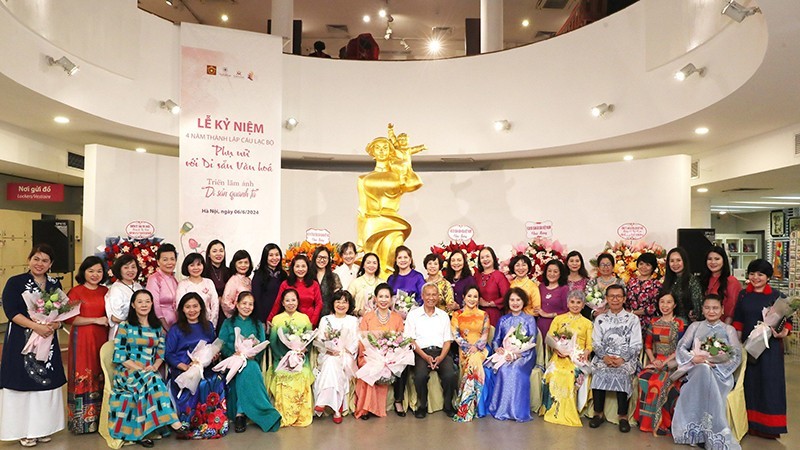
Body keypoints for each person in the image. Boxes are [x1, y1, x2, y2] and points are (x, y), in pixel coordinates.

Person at [0, 244, 67, 446]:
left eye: (45, 260)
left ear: (51, 264)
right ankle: (23, 430)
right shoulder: (15, 282)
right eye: (36, 259)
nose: (40, 264)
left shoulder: (55, 285)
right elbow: (11, 312)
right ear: (29, 259)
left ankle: (43, 428)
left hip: (48, 339)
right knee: (22, 383)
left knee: (46, 384)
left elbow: (62, 313)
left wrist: (56, 323)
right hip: (22, 339)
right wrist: (34, 326)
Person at [107, 289, 187, 447]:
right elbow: (120, 356)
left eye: (147, 301)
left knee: (153, 379)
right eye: (140, 302)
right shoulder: (125, 326)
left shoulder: (157, 328)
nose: (144, 305)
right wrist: (139, 368)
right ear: (133, 305)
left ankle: (144, 432)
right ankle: (175, 423)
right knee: (154, 381)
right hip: (127, 372)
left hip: (149, 371)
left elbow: (161, 352)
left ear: (152, 304)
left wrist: (154, 366)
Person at [672, 294, 742, 449]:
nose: (711, 311)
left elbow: (736, 355)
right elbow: (681, 346)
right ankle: (696, 432)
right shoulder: (695, 326)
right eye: (707, 308)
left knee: (705, 370)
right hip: (697, 370)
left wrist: (714, 363)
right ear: (702, 310)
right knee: (702, 370)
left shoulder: (728, 329)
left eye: (715, 308)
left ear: (722, 310)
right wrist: (693, 358)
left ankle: (709, 434)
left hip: (720, 375)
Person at [733, 259, 789, 439]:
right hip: (748, 347)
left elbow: (786, 321)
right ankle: (749, 423)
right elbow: (738, 320)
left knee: (770, 384)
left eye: (760, 274)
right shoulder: (743, 295)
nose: (755, 278)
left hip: (770, 348)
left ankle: (770, 427)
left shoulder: (777, 295)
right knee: (749, 383)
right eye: (752, 274)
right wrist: (737, 343)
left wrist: (783, 332)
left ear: (768, 277)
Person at [357, 135, 422, 279]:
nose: (381, 151)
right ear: (372, 152)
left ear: (390, 150)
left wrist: (405, 159)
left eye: (385, 147)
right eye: (377, 148)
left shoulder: (397, 175)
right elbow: (362, 209)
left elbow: (414, 183)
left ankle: (391, 289)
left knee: (394, 252)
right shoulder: (363, 179)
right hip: (372, 223)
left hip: (393, 222)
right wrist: (360, 241)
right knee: (373, 263)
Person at [165, 293, 227, 439]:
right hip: (183, 368)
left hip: (204, 368)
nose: (192, 310)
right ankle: (189, 422)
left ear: (201, 308)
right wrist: (184, 367)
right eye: (187, 307)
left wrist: (213, 357)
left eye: (195, 306)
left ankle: (213, 422)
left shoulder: (208, 326)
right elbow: (168, 354)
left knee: (215, 379)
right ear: (182, 309)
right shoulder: (175, 329)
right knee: (197, 382)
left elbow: (212, 347)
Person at [218, 292, 281, 433]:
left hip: (252, 361)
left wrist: (253, 355)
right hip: (233, 362)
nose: (247, 307)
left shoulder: (258, 325)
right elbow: (222, 344)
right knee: (242, 368)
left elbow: (262, 345)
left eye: (250, 304)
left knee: (249, 367)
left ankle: (240, 414)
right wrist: (234, 354)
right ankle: (258, 412)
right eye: (244, 303)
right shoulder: (228, 323)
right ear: (237, 304)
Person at [589, 284, 642, 433]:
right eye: (611, 296)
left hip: (625, 358)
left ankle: (623, 416)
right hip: (603, 357)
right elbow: (595, 342)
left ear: (624, 298)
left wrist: (622, 358)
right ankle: (598, 413)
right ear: (606, 299)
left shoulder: (632, 319)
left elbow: (637, 344)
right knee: (598, 370)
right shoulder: (600, 319)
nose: (615, 299)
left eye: (619, 296)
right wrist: (604, 357)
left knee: (623, 372)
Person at [65, 256, 110, 434]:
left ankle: (101, 420)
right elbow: (68, 318)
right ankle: (81, 422)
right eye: (91, 270)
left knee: (101, 372)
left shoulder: (106, 291)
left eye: (99, 271)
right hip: (82, 339)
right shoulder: (76, 292)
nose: (95, 274)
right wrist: (95, 320)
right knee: (83, 374)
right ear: (83, 271)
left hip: (102, 338)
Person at [633, 291, 685, 433]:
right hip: (656, 361)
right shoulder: (654, 322)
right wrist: (653, 360)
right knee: (644, 377)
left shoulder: (680, 323)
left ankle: (661, 423)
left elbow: (681, 348)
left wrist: (665, 362)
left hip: (673, 362)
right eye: (662, 302)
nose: (665, 305)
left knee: (659, 382)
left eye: (668, 302)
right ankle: (645, 421)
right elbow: (648, 345)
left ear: (674, 305)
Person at [405, 283, 458, 419]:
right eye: (428, 294)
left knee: (450, 375)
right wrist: (425, 356)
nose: (431, 297)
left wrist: (440, 357)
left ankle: (448, 405)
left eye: (434, 294)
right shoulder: (413, 315)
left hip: (441, 352)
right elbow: (411, 340)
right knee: (420, 376)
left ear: (438, 297)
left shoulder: (444, 315)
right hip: (420, 352)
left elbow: (448, 341)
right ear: (422, 296)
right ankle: (422, 406)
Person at [354, 283, 405, 420]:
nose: (383, 300)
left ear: (391, 299)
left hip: (391, 357)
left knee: (401, 364)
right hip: (370, 354)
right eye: (380, 296)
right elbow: (362, 339)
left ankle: (397, 401)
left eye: (386, 297)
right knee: (368, 366)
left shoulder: (397, 318)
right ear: (375, 299)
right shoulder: (368, 317)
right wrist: (372, 354)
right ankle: (366, 408)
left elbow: (400, 340)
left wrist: (389, 354)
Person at [542, 289, 593, 427]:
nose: (575, 305)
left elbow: (589, 344)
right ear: (568, 303)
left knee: (570, 375)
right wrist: (557, 349)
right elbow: (550, 337)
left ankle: (570, 412)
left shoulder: (587, 323)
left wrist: (586, 353)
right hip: (559, 356)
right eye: (572, 302)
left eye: (579, 302)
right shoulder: (559, 319)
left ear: (583, 305)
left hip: (577, 357)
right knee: (555, 373)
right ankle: (552, 408)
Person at [487, 287, 538, 422]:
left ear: (523, 301)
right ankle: (502, 409)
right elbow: (496, 340)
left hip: (526, 355)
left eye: (518, 300)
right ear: (507, 302)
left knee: (514, 369)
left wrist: (517, 355)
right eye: (512, 300)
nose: (515, 303)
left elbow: (532, 341)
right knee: (504, 369)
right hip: (506, 354)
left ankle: (516, 411)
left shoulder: (529, 319)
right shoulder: (503, 320)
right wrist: (498, 349)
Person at [269, 289, 315, 427]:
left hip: (300, 358)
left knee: (304, 374)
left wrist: (303, 352)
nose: (290, 303)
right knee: (282, 374)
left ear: (298, 301)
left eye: (293, 300)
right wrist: (281, 356)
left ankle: (301, 413)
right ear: (282, 303)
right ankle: (285, 413)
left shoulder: (304, 318)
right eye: (287, 300)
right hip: (282, 358)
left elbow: (310, 339)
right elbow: (273, 341)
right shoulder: (277, 319)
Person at [313, 290, 359, 423]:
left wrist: (344, 351)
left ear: (349, 305)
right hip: (328, 354)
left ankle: (323, 402)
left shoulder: (353, 320)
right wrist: (328, 350)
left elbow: (356, 341)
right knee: (331, 362)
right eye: (338, 301)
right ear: (332, 303)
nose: (341, 305)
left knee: (335, 363)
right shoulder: (325, 319)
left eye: (345, 302)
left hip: (346, 354)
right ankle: (337, 409)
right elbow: (320, 340)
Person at [451, 285, 489, 422]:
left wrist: (477, 347)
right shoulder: (457, 315)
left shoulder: (484, 315)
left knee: (474, 360)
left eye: (475, 297)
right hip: (464, 349)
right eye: (469, 296)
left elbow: (485, 335)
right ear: (464, 297)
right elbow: (455, 334)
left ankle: (466, 405)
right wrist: (468, 347)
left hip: (480, 349)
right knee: (472, 360)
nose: (472, 299)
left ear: (478, 299)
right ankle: (474, 405)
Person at [268, 254, 324, 327]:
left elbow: (319, 304)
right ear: (293, 268)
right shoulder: (285, 284)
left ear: (308, 268)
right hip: (289, 322)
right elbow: (278, 303)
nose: (300, 269)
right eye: (297, 266)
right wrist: (269, 319)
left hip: (309, 322)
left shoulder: (314, 284)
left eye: (303, 266)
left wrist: (312, 323)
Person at [700, 245, 742, 324]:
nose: (713, 262)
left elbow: (731, 308)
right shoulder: (703, 280)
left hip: (724, 325)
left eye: (717, 259)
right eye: (709, 259)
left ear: (724, 261)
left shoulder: (731, 281)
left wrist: (724, 328)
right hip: (704, 325)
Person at [175, 253, 220, 326]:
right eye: (192, 265)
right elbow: (179, 306)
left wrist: (212, 324)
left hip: (207, 323)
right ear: (187, 267)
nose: (196, 268)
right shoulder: (182, 284)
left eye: (199, 264)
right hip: (188, 325)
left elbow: (215, 305)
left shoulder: (209, 282)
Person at [105, 254, 143, 339]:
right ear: (119, 270)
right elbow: (115, 318)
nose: (130, 270)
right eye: (126, 268)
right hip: (122, 330)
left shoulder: (137, 286)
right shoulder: (116, 289)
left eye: (133, 267)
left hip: (138, 329)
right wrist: (136, 323)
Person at [625, 252, 663, 332]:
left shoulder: (656, 284)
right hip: (630, 321)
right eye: (641, 264)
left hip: (648, 323)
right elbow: (626, 301)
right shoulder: (631, 281)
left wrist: (635, 312)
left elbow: (655, 306)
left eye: (648, 265)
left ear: (653, 267)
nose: (644, 267)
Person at [663, 247, 703, 322]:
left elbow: (698, 306)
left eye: (678, 260)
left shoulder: (692, 280)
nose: (675, 264)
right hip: (668, 323)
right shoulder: (668, 280)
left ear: (684, 261)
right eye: (672, 261)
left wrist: (693, 314)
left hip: (686, 324)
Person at [251, 243, 287, 324]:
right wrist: (262, 321)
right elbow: (256, 299)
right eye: (271, 255)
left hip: (280, 317)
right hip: (264, 316)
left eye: (277, 255)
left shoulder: (283, 275)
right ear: (265, 257)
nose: (274, 258)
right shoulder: (259, 275)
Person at [474, 247, 510, 327]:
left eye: (487, 256)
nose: (485, 259)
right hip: (478, 313)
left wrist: (489, 304)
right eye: (482, 257)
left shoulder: (499, 276)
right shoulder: (477, 276)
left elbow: (507, 296)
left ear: (493, 258)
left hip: (494, 314)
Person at [146, 243, 179, 330]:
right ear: (158, 262)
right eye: (165, 259)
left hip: (176, 325)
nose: (169, 263)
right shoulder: (154, 279)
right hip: (161, 325)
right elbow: (155, 306)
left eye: (172, 259)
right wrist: (166, 328)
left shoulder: (174, 279)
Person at [583, 253, 624, 319]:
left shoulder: (620, 283)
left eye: (608, 264)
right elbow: (586, 302)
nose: (605, 267)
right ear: (598, 267)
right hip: (597, 318)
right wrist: (594, 313)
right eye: (602, 264)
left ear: (613, 266)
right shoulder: (592, 283)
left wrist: (610, 311)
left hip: (616, 317)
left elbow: (623, 301)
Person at [537, 259, 569, 337]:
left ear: (560, 274)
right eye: (549, 271)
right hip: (540, 325)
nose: (552, 274)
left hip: (556, 325)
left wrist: (548, 315)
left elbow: (567, 310)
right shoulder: (541, 286)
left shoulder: (564, 289)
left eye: (555, 271)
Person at [203, 240, 230, 329]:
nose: (218, 254)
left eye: (221, 251)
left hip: (226, 312)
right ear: (209, 254)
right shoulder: (203, 272)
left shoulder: (229, 271)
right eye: (214, 251)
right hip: (208, 311)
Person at [221, 250, 253, 320]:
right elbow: (226, 303)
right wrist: (239, 310)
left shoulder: (249, 280)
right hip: (237, 318)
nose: (243, 265)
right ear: (234, 264)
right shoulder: (233, 280)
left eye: (246, 262)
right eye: (240, 263)